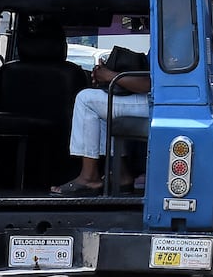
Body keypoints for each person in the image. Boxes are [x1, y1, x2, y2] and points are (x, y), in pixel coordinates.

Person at [51, 51, 150, 196]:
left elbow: (149, 84)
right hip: (156, 101)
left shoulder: (172, 39)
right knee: (101, 104)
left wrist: (110, 76)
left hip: (162, 103)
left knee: (86, 100)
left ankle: (89, 178)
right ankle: (121, 175)